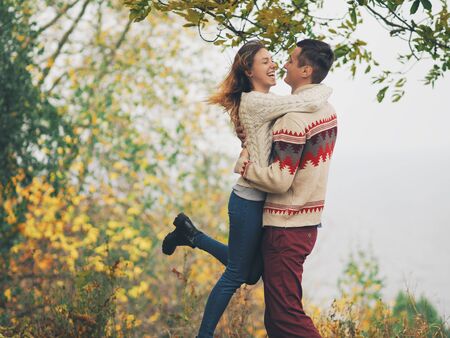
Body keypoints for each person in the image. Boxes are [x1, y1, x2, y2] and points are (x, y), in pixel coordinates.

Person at [161, 39, 332, 337]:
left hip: (260, 196)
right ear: (249, 71)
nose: (274, 64)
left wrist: (245, 148)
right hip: (249, 199)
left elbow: (267, 132)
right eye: (264, 61)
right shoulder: (257, 101)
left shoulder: (268, 101)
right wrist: (324, 87)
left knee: (252, 273)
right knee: (237, 274)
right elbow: (305, 102)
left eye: (273, 59)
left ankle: (192, 235)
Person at [235, 39, 336, 337]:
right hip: (308, 225)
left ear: (305, 70)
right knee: (278, 320)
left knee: (285, 318)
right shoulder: (327, 110)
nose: (284, 64)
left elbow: (280, 179)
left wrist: (247, 169)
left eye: (292, 60)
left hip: (285, 227)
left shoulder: (291, 120)